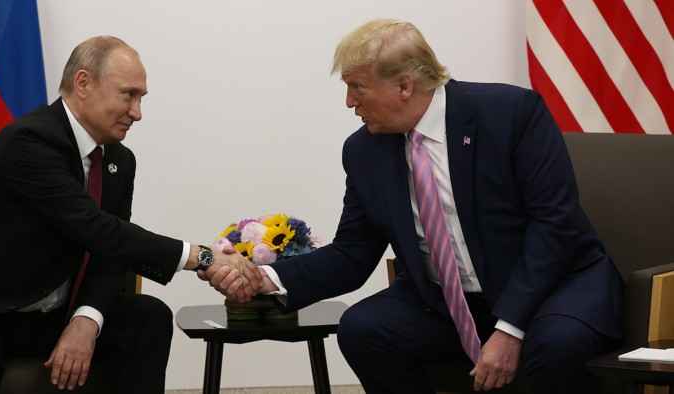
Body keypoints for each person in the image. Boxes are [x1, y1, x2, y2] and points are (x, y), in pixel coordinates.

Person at [203, 19, 623, 394]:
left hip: (551, 289)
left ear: (404, 85)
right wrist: (265, 278)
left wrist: (510, 329)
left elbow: (555, 225)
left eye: (358, 87)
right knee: (364, 330)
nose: (350, 102)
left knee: (556, 346)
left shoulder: (511, 113)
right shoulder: (364, 151)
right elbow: (353, 253)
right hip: (450, 303)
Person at [0, 36, 261, 394]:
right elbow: (97, 230)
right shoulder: (28, 142)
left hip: (51, 314)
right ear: (83, 83)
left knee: (147, 317)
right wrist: (202, 257)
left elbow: (111, 257)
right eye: (129, 94)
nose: (138, 112)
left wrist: (86, 319)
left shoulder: (119, 160)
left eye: (141, 98)